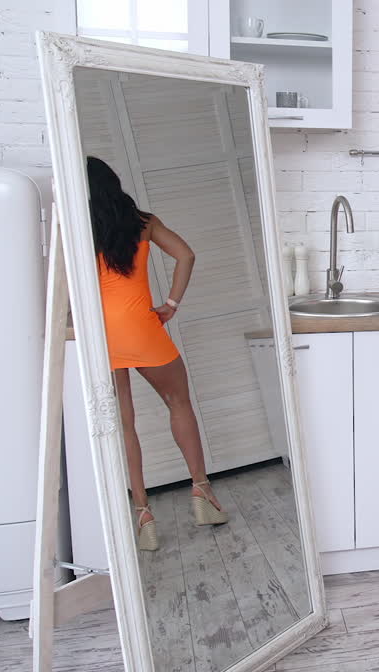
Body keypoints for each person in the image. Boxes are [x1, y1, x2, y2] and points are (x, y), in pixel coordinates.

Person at [87, 156, 228, 552]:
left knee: (124, 422)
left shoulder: (80, 231)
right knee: (178, 402)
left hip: (102, 334)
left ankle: (143, 516)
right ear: (114, 184)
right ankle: (203, 496)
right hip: (141, 328)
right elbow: (186, 254)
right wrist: (170, 303)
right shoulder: (143, 222)